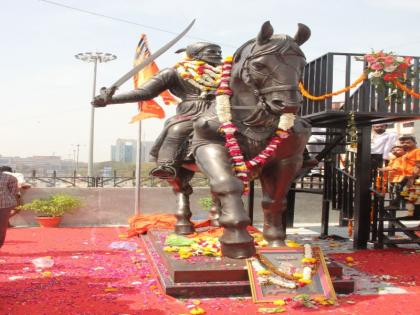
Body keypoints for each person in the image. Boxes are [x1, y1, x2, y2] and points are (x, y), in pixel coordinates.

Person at [93, 42, 223, 179]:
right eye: (212, 52)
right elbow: (145, 92)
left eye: (219, 52)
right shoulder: (174, 72)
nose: (218, 55)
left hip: (222, 108)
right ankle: (167, 164)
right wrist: (111, 99)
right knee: (177, 130)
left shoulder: (227, 73)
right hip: (192, 112)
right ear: (195, 54)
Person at [0, 166, 19, 248]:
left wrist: (9, 199)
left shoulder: (9, 178)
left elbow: (13, 191)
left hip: (4, 205)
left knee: (1, 228)